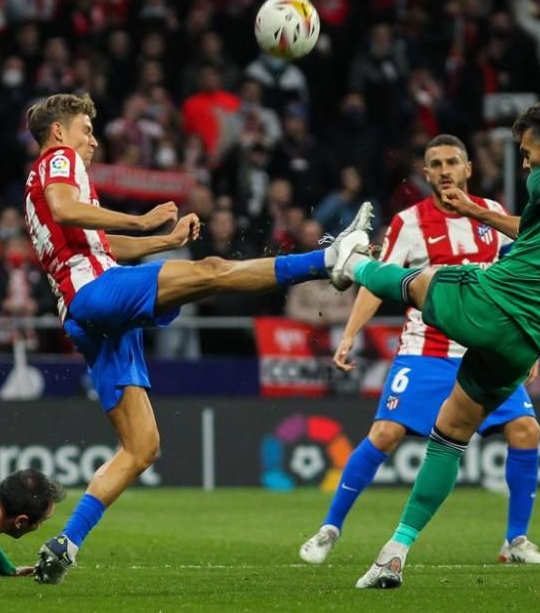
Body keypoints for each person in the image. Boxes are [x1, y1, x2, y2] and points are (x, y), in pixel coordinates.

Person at [23, 93, 374, 584]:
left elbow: (97, 241)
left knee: (141, 448)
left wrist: (161, 242)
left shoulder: (40, 182)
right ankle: (327, 261)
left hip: (88, 313)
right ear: (59, 133)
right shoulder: (58, 163)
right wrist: (143, 219)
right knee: (210, 271)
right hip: (96, 293)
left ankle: (66, 542)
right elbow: (66, 211)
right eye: (86, 129)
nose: (93, 140)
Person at [326, 101, 540, 589]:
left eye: (528, 153)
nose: (525, 164)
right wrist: (479, 212)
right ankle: (394, 552)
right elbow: (536, 234)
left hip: (498, 304)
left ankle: (349, 258)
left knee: (423, 281)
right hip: (536, 336)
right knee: (452, 430)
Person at [298, 134, 540, 567]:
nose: (445, 170)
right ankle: (330, 528)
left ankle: (516, 541)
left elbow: (520, 284)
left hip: (486, 351)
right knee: (385, 433)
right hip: (426, 350)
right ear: (426, 172)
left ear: (468, 168)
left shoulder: (492, 215)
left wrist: (529, 347)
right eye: (435, 163)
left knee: (527, 430)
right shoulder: (408, 223)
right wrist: (348, 334)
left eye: (453, 161)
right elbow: (378, 281)